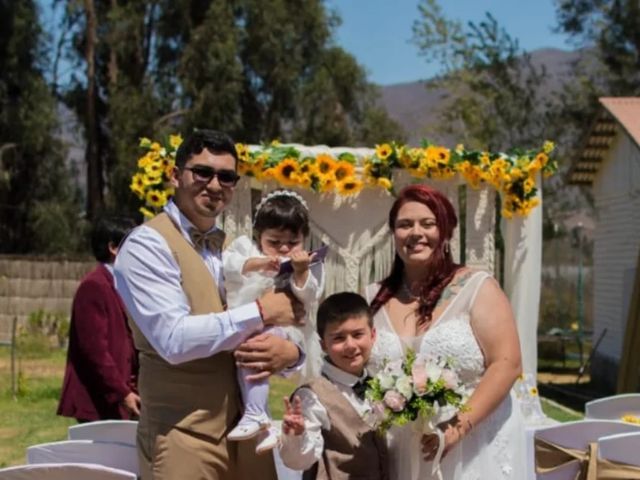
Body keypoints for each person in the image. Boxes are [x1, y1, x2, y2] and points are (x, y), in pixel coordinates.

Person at [114, 129, 305, 480]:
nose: (214, 184)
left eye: (226, 177)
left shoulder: (239, 249)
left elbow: (289, 319)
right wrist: (260, 312)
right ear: (175, 176)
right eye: (202, 172)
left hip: (248, 436)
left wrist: (291, 354)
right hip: (182, 434)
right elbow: (173, 340)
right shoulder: (147, 246)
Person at [365, 184, 525, 479]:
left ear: (446, 232)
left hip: (471, 447)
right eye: (404, 224)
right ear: (393, 234)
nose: (416, 232)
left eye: (428, 223)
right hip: (398, 451)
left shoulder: (477, 287)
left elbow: (508, 363)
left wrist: (456, 428)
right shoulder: (372, 297)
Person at [223, 189, 325, 454]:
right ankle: (263, 424)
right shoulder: (246, 249)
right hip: (247, 317)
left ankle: (258, 416)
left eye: (293, 241)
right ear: (259, 236)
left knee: (256, 355)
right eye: (274, 241)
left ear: (304, 238)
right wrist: (256, 264)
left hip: (285, 328)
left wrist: (301, 273)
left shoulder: (309, 263)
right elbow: (229, 264)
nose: (283, 248)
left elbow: (310, 294)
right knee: (247, 363)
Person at [279, 292, 389, 479]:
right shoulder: (312, 395)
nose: (350, 345)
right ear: (323, 345)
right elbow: (299, 461)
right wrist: (296, 436)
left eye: (357, 334)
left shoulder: (383, 383)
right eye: (338, 338)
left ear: (372, 335)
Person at [58, 216, 139, 422]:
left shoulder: (123, 284)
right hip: (99, 401)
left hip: (124, 396)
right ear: (113, 248)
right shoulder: (94, 287)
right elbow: (94, 351)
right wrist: (122, 393)